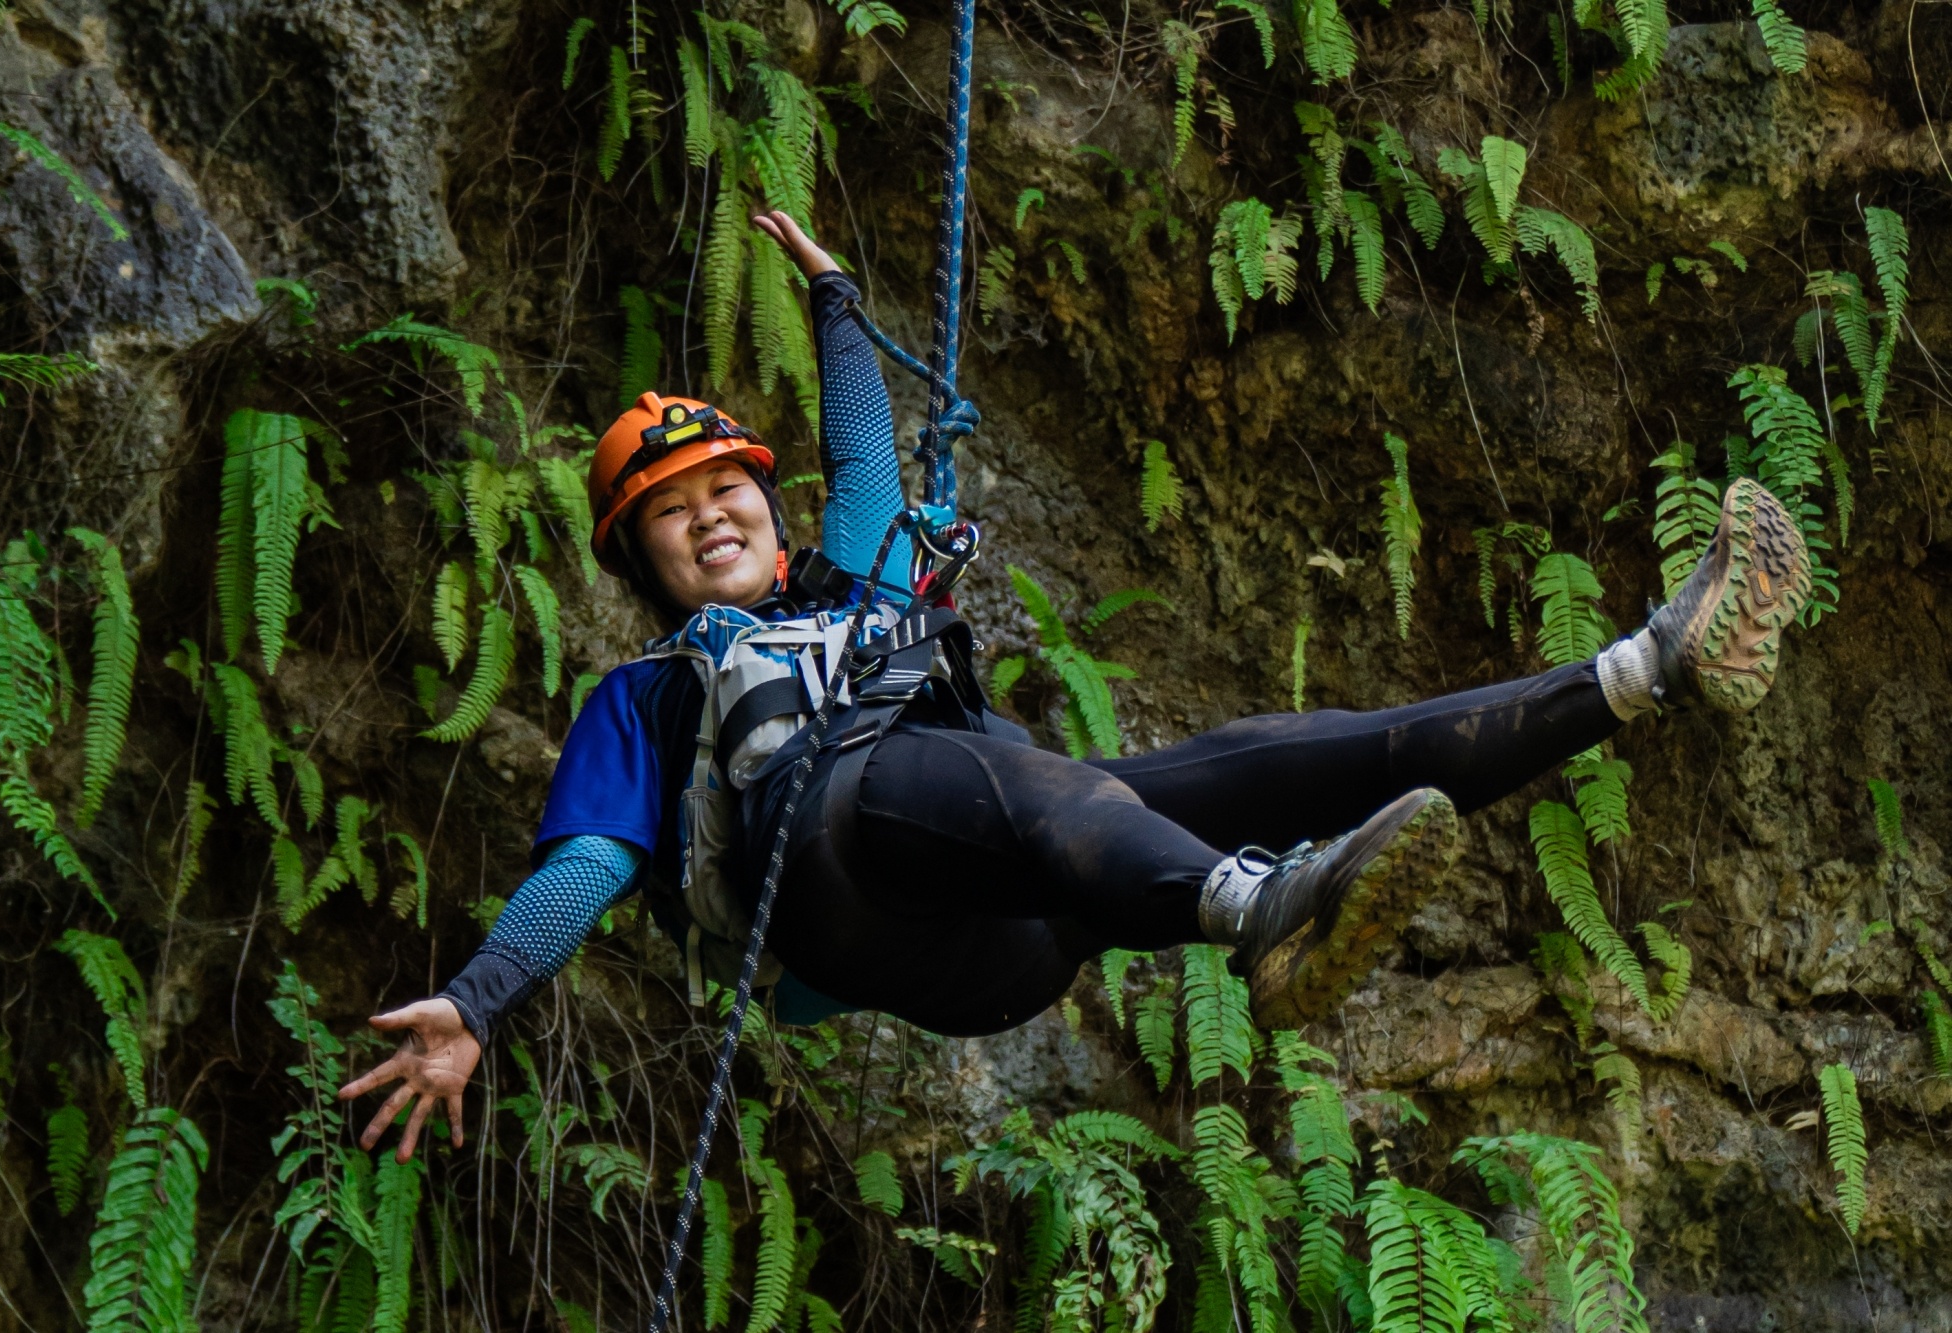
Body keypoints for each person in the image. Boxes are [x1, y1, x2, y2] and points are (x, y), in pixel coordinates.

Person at [340, 212, 1812, 1162]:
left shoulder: (848, 581)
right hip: (854, 900)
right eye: (674, 508)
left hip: (1024, 912)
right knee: (947, 768)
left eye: (730, 482)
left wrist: (838, 299)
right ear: (641, 557)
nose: (714, 511)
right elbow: (595, 856)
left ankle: (1640, 669)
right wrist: (480, 1000)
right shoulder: (649, 696)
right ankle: (1258, 909)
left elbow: (865, 458)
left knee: (1267, 756)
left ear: (767, 506)